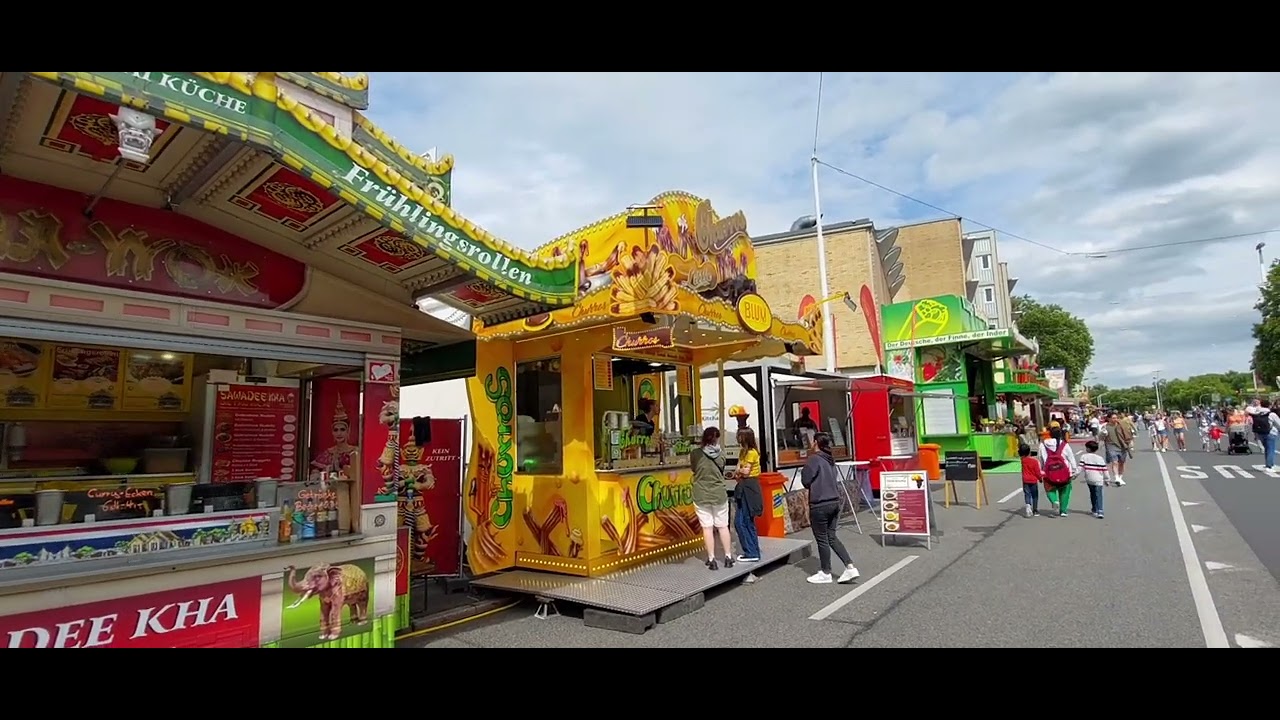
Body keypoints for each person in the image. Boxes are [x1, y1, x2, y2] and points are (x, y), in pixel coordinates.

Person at [800, 432, 859, 584]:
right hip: (834, 502)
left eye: (812, 441)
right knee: (831, 537)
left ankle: (826, 572)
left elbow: (806, 481)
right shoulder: (830, 460)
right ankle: (850, 566)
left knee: (822, 539)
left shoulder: (814, 459)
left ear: (815, 443)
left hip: (820, 503)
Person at [690, 427, 733, 571]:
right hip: (719, 494)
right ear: (717, 439)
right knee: (722, 526)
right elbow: (722, 468)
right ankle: (727, 557)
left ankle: (711, 558)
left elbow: (694, 469)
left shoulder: (695, 454)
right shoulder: (721, 455)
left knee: (707, 527)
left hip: (701, 494)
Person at [732, 428, 764, 581]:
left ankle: (751, 552)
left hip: (750, 486)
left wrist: (740, 472)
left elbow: (744, 471)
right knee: (745, 521)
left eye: (740, 435)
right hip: (743, 486)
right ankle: (753, 551)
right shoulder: (742, 452)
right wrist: (739, 471)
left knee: (742, 521)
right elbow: (738, 469)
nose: (737, 438)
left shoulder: (752, 452)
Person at [1039, 425, 1079, 516]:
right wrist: (1074, 470)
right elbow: (1071, 458)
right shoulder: (1064, 444)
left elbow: (1040, 458)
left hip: (1048, 472)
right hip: (1064, 472)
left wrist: (1042, 470)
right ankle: (1063, 510)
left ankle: (1054, 500)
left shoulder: (1043, 444)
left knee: (1049, 489)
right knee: (1065, 490)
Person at [1247, 398, 1280, 469]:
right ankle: (1269, 465)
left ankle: (1267, 463)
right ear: (1269, 405)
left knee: (1266, 449)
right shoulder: (1271, 414)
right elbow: (1278, 424)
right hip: (1271, 433)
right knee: (1271, 449)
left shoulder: (1257, 412)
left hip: (1260, 433)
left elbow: (1248, 410)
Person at [1080, 440, 1110, 519]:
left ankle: (1094, 509)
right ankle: (1100, 510)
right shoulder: (1100, 458)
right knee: (1098, 494)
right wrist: (1107, 479)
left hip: (1089, 479)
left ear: (1088, 449)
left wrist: (1074, 474)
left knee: (1092, 493)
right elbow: (1105, 470)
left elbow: (1080, 468)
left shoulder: (1084, 457)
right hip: (1098, 479)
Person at [1101, 411, 1130, 486]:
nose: (1115, 419)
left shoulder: (1121, 425)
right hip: (1111, 446)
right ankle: (1116, 477)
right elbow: (1100, 437)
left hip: (1122, 446)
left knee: (1122, 463)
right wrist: (1103, 434)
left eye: (1116, 418)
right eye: (1113, 418)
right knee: (1115, 462)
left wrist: (1129, 442)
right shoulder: (1105, 426)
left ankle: (1120, 477)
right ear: (1109, 419)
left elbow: (1128, 434)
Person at [1019, 443, 1041, 517]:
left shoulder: (1022, 460)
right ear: (1029, 452)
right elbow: (1037, 472)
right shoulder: (1034, 462)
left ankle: (1028, 506)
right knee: (1035, 495)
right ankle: (1035, 510)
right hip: (1033, 481)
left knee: (1027, 494)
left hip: (1025, 481)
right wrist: (1040, 479)